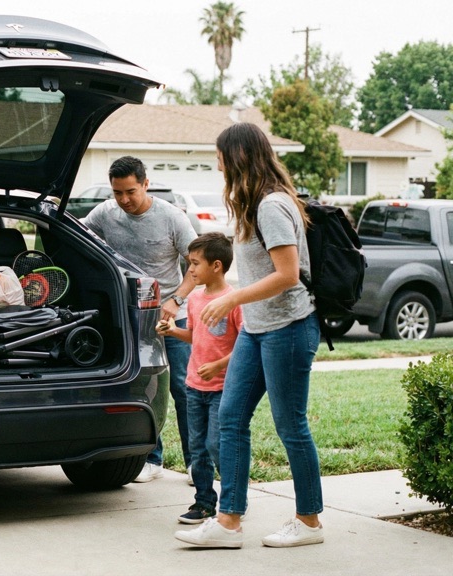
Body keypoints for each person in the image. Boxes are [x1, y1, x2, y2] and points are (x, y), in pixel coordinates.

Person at [175, 122, 323, 549]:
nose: (217, 164)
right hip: (258, 330)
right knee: (231, 419)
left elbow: (289, 275)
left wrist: (232, 298)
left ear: (238, 157)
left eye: (221, 156)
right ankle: (228, 522)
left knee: (290, 425)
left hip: (289, 329)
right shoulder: (250, 205)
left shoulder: (272, 206)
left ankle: (309, 521)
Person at [84, 156, 198, 483]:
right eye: (117, 192)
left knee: (182, 388)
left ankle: (196, 462)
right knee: (144, 389)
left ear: (146, 184)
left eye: (130, 192)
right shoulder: (106, 212)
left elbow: (196, 263)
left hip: (172, 316)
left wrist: (176, 300)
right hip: (131, 318)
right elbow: (80, 234)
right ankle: (152, 458)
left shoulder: (172, 218)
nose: (124, 200)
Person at [157, 232, 242, 524]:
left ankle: (233, 500)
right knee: (198, 448)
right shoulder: (193, 300)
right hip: (194, 387)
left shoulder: (233, 301)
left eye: (195, 264)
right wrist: (172, 331)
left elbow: (246, 345)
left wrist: (219, 365)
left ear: (216, 266)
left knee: (218, 444)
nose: (190, 270)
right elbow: (195, 336)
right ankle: (204, 503)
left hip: (222, 388)